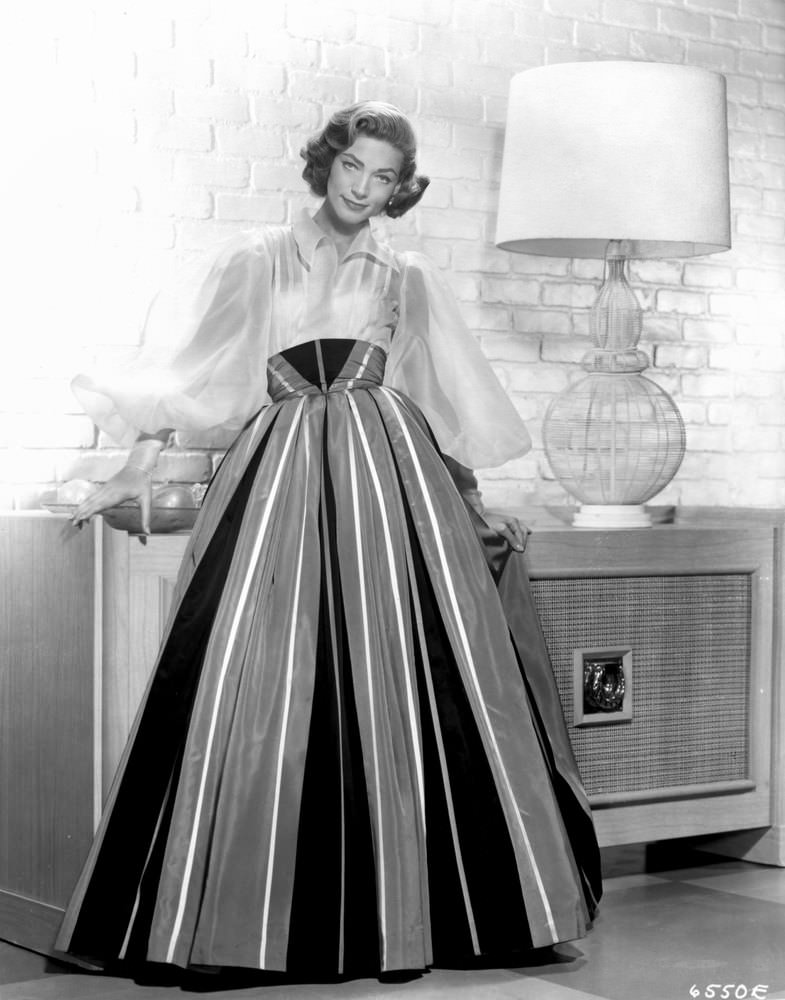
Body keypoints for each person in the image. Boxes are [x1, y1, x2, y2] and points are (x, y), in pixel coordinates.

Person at [56, 101, 601, 981]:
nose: (365, 188)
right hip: (279, 478)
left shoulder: (404, 276)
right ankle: (241, 919)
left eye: (385, 176)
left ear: (399, 187)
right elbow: (200, 368)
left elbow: (433, 398)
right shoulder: (257, 258)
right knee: (259, 669)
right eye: (354, 166)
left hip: (395, 484)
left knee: (413, 675)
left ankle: (433, 918)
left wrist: (473, 499)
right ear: (327, 164)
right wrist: (131, 469)